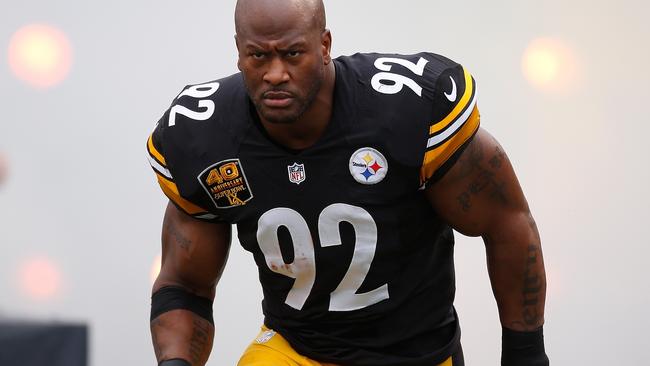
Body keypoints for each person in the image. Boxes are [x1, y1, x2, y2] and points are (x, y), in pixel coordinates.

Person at [146, 0, 549, 365]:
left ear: (324, 46)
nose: (274, 73)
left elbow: (507, 224)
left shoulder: (406, 111)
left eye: (292, 53)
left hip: (415, 355)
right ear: (238, 51)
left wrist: (525, 356)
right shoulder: (204, 137)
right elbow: (186, 284)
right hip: (296, 349)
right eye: (257, 55)